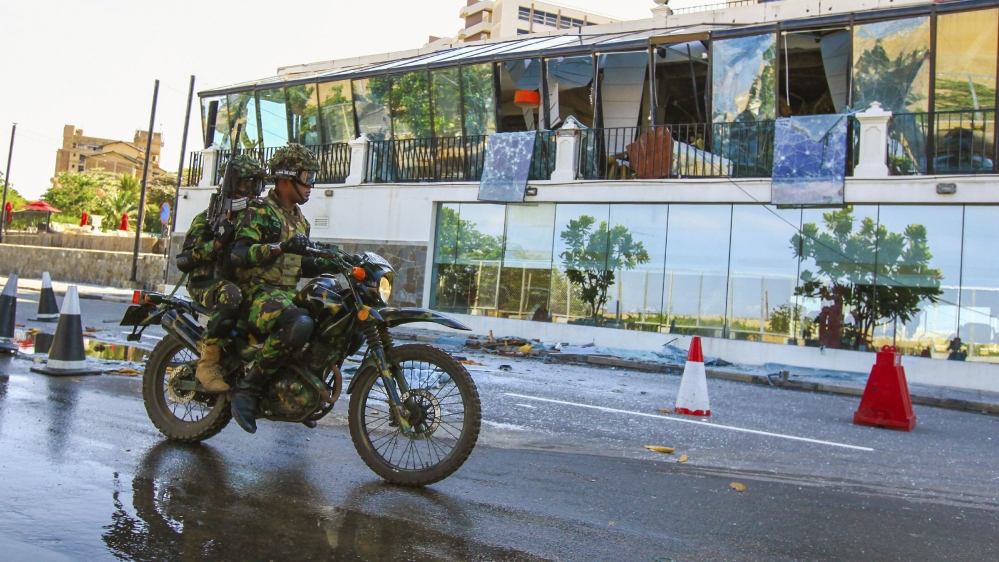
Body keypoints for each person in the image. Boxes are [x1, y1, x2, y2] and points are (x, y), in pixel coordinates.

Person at [229, 144, 342, 433]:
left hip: (285, 293)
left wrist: (334, 262)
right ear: (284, 178)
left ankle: (295, 394)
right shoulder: (260, 212)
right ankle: (247, 388)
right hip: (256, 292)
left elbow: (300, 265)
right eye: (306, 176)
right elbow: (239, 254)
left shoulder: (300, 220)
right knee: (299, 323)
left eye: (312, 177)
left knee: (326, 317)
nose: (311, 185)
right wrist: (280, 247)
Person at [176, 154, 267, 393]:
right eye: (243, 186)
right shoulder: (207, 219)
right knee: (231, 294)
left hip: (237, 281)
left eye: (254, 186)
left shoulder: (253, 219)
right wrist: (217, 243)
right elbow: (184, 261)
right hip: (207, 283)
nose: (250, 193)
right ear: (230, 187)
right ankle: (208, 364)